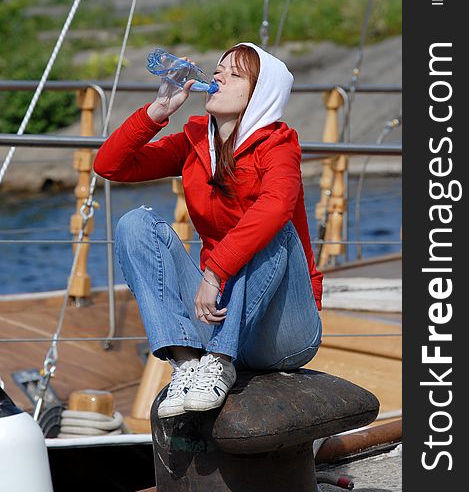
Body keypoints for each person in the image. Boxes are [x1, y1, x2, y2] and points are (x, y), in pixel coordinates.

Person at [93, 42, 323, 419]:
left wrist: (215, 272)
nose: (217, 77)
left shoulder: (279, 145)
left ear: (259, 93)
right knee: (134, 224)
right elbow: (111, 165)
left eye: (234, 74)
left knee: (274, 227)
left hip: (282, 330)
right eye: (218, 69)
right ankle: (186, 365)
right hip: (216, 318)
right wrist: (158, 111)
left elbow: (276, 206)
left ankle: (218, 362)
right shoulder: (195, 142)